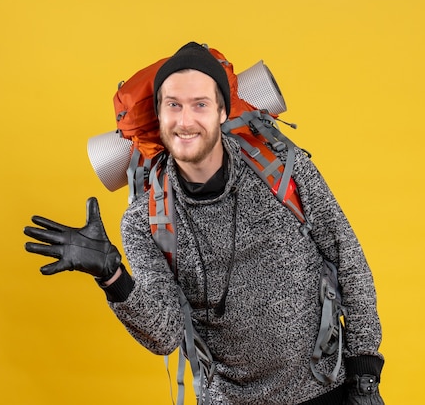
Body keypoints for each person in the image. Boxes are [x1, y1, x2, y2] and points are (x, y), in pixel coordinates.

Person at [24, 42, 385, 404]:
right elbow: (165, 334)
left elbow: (348, 259)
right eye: (173, 105)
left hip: (325, 388)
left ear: (222, 112)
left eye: (200, 104)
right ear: (160, 116)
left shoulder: (283, 170)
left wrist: (365, 377)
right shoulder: (145, 221)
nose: (185, 120)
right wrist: (113, 278)